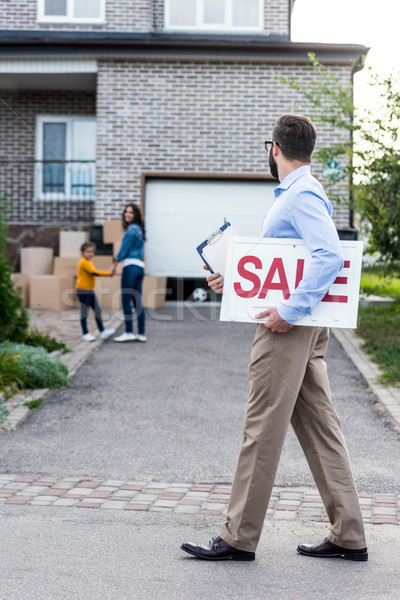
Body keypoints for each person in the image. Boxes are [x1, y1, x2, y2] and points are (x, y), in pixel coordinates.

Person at [181, 114, 368, 562]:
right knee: (321, 428)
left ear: (274, 148)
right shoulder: (303, 192)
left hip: (286, 329)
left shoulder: (300, 194)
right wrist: (235, 279)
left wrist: (287, 310)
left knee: (261, 428)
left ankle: (238, 537)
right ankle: (350, 534)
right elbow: (286, 264)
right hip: (304, 325)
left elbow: (327, 257)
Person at [112, 203, 147, 342]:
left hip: (130, 266)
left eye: (131, 213)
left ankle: (128, 332)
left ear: (135, 215)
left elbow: (124, 249)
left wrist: (114, 264)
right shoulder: (139, 229)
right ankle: (141, 333)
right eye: (126, 212)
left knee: (126, 299)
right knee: (137, 300)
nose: (127, 214)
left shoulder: (131, 229)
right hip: (140, 267)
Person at [76, 242, 115, 342]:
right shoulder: (83, 262)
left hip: (89, 290)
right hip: (83, 291)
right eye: (88, 252)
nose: (90, 254)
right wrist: (108, 274)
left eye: (92, 252)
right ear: (82, 252)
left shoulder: (89, 262)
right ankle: (85, 333)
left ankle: (102, 331)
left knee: (97, 310)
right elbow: (94, 272)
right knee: (85, 312)